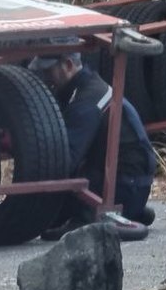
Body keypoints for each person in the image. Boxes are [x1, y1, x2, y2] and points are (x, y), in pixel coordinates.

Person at [28, 38, 157, 240]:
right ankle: (131, 208)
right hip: (132, 184)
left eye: (49, 69)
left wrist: (26, 150)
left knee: (44, 215)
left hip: (125, 186)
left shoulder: (86, 100)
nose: (46, 76)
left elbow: (67, 159)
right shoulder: (82, 90)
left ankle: (86, 217)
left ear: (68, 65)